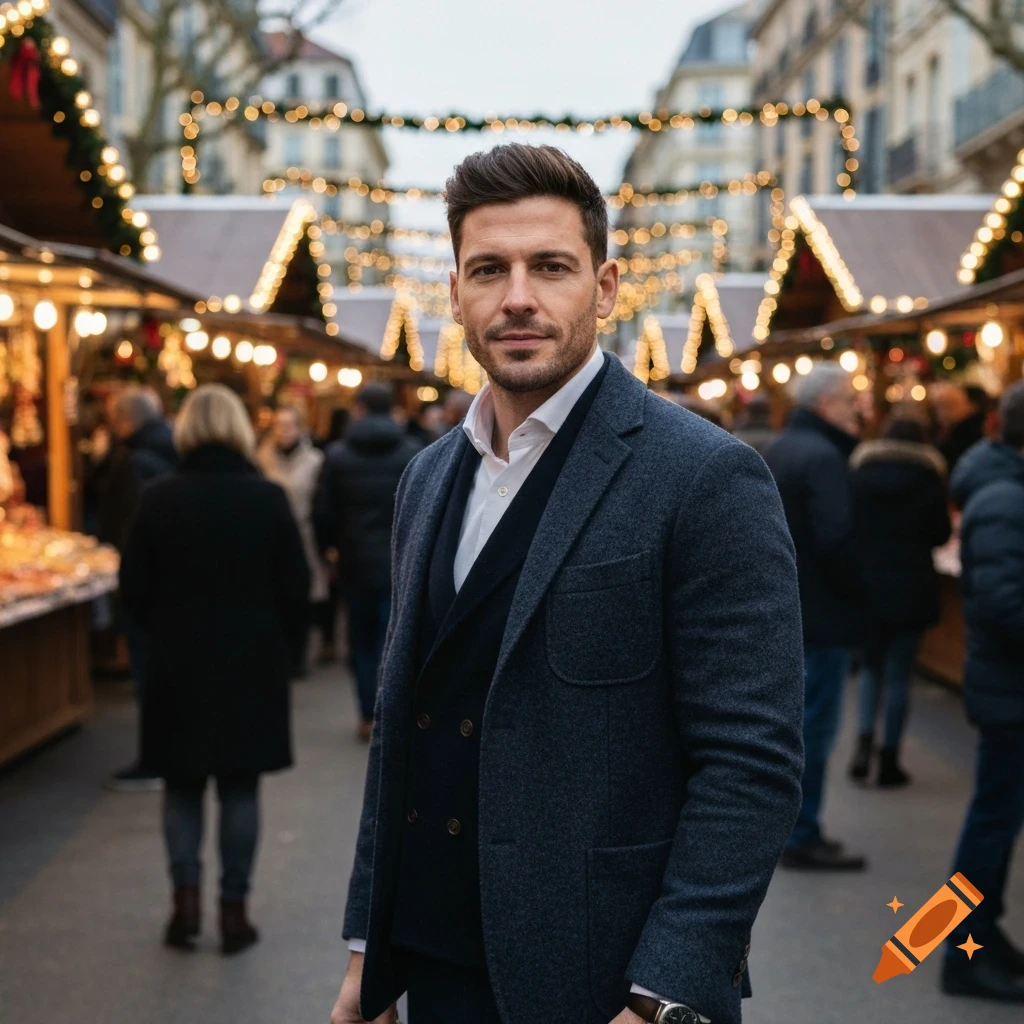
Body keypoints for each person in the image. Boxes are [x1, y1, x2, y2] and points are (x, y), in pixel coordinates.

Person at [330, 144, 803, 1024]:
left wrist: (662, 996)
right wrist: (368, 948)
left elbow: (751, 762)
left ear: (606, 286)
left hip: (604, 982)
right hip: (433, 973)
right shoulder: (426, 479)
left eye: (550, 267)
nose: (518, 297)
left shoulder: (704, 475)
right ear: (456, 293)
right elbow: (402, 730)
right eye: (489, 270)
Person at [119, 384, 309, 956]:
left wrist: (161, 633)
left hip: (176, 665)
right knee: (240, 787)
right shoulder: (267, 498)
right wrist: (284, 650)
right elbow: (295, 588)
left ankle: (184, 904)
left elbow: (133, 590)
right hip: (251, 665)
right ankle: (233, 911)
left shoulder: (158, 498)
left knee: (181, 786)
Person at [763, 362, 867, 871]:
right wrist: (860, 596)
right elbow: (836, 540)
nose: (857, 410)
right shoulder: (824, 456)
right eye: (849, 400)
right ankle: (802, 833)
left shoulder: (783, 447)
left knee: (791, 727)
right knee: (814, 729)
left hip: (790, 609)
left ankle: (786, 827)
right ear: (827, 403)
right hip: (821, 614)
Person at [941, 383, 1024, 1001]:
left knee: (993, 821)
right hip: (1009, 690)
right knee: (990, 825)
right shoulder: (1005, 497)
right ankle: (961, 951)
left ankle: (978, 936)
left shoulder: (1002, 489)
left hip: (1006, 686)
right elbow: (1002, 604)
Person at [848, 417, 951, 786]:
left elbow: (850, 525)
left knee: (870, 667)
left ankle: (863, 743)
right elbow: (940, 533)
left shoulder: (861, 474)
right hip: (912, 584)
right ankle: (889, 757)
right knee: (899, 674)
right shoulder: (929, 479)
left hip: (869, 582)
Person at [315, 384, 421, 741]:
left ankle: (367, 715)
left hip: (354, 562)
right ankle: (391, 713)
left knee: (360, 641)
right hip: (399, 560)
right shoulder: (410, 452)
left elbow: (323, 512)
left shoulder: (338, 455)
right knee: (392, 640)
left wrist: (329, 550)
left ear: (359, 409)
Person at [100, 387, 177, 791]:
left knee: (148, 674)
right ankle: (165, 753)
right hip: (171, 585)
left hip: (148, 587)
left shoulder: (135, 460)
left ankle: (156, 758)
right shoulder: (170, 450)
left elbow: (130, 532)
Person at [257, 405, 330, 675]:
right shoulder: (261, 459)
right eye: (279, 425)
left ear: (299, 428)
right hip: (269, 538)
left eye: (289, 426)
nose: (284, 431)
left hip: (304, 537)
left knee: (302, 597)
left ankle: (298, 657)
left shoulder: (315, 460)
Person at [933, 382, 987, 473]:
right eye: (939, 407)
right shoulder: (946, 433)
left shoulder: (966, 435)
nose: (942, 413)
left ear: (970, 406)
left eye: (949, 406)